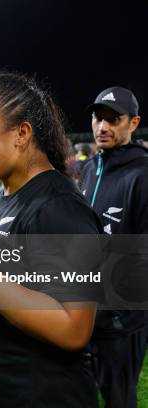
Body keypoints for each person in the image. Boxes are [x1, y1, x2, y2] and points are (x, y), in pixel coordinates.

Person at [0, 72, 103, 407]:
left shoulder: (59, 208)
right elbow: (5, 299)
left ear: (22, 134)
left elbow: (74, 329)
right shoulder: (1, 201)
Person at [80, 86, 148, 408]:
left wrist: (119, 313)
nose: (102, 127)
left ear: (133, 123)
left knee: (119, 399)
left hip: (123, 320)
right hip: (84, 312)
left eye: (113, 119)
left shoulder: (143, 174)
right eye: (98, 118)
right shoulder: (89, 169)